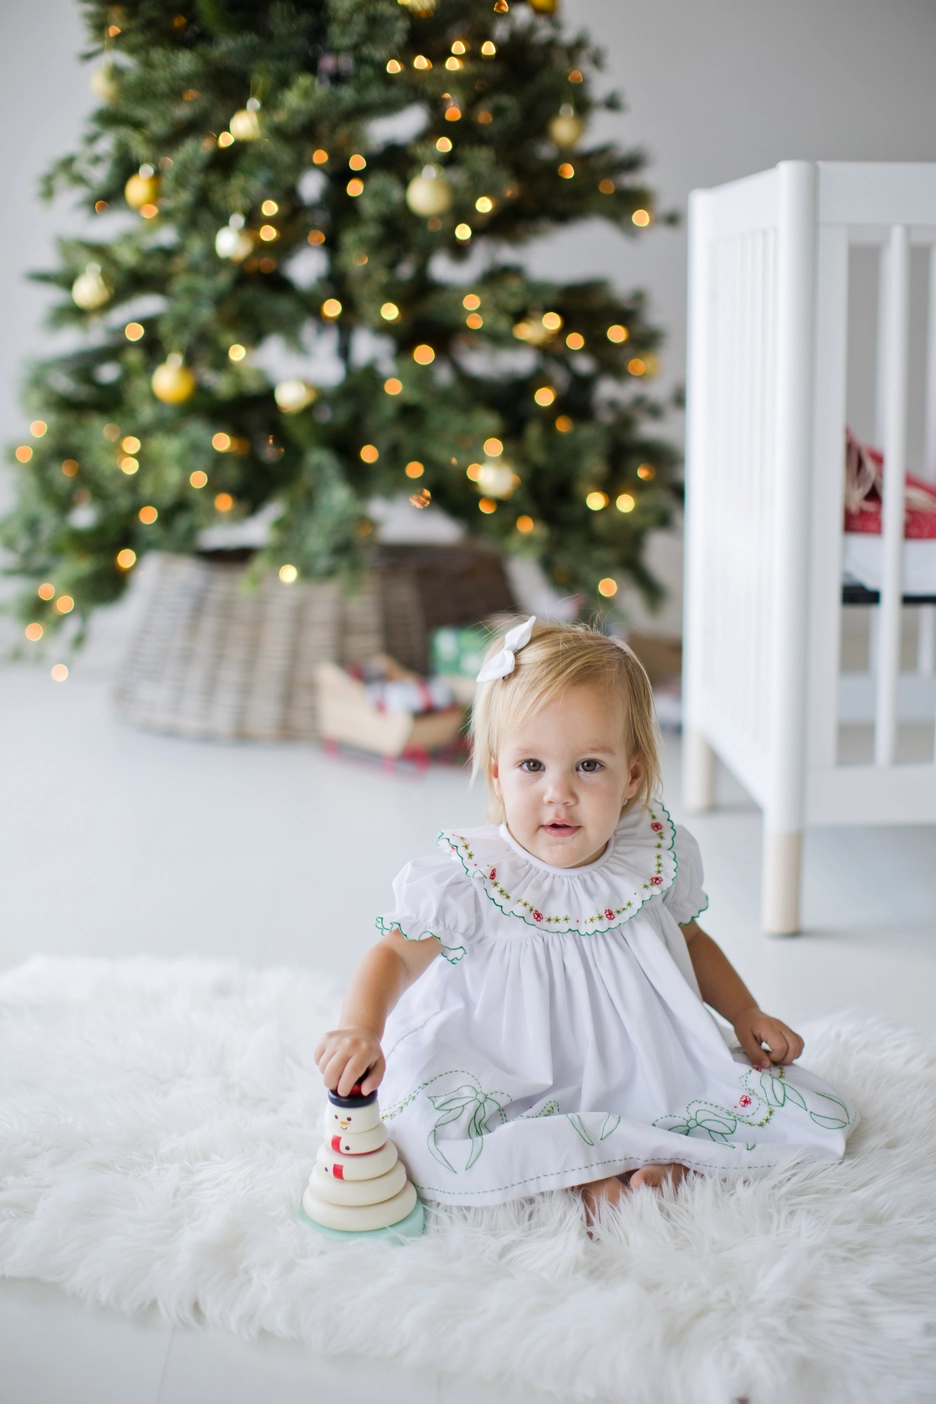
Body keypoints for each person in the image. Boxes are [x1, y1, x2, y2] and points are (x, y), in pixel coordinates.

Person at [315, 617, 856, 1216]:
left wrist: (745, 1010)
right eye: (531, 766)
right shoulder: (470, 879)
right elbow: (393, 953)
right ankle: (574, 1175)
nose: (559, 792)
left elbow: (693, 940)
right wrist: (360, 1027)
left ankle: (659, 1159)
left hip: (641, 1058)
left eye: (589, 766)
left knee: (743, 1106)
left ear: (632, 776)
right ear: (495, 770)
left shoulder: (648, 860)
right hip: (509, 1066)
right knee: (427, 1136)